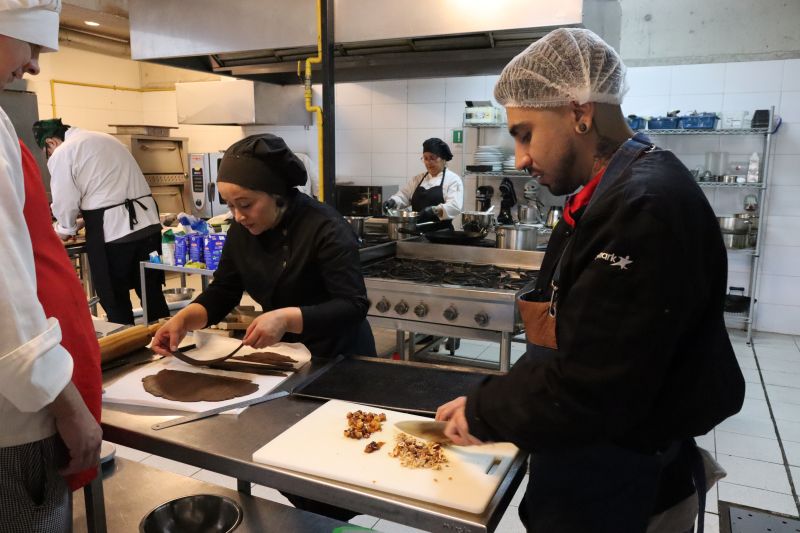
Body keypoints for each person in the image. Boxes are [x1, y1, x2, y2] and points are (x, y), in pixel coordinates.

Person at [435, 28, 744, 533]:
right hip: (590, 468)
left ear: (579, 113)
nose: (520, 158)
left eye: (525, 134)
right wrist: (497, 401)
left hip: (629, 489)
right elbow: (584, 343)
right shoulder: (609, 192)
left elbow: (591, 387)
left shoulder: (642, 207)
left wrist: (485, 409)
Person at [0, 1, 103, 530]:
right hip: (17, 417)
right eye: (33, 44)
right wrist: (67, 404)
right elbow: (6, 299)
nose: (35, 65)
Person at [151, 133, 375, 360]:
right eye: (230, 205)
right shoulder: (242, 229)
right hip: (291, 356)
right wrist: (184, 319)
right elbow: (224, 290)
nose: (238, 216)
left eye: (245, 204)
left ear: (277, 195)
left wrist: (286, 319)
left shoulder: (326, 228)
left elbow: (352, 306)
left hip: (339, 356)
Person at [33, 118, 170, 325]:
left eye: (48, 152)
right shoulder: (106, 138)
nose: (50, 155)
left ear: (50, 142)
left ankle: (125, 339)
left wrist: (65, 229)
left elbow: (65, 201)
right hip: (149, 226)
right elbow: (109, 191)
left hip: (114, 235)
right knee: (151, 291)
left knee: (114, 297)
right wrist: (83, 222)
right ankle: (166, 337)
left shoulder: (63, 152)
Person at [382, 138, 463, 227]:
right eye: (425, 158)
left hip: (441, 233)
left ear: (443, 159)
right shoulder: (418, 179)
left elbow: (454, 206)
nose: (428, 162)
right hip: (416, 231)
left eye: (432, 158)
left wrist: (434, 210)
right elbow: (404, 195)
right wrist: (393, 201)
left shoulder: (453, 179)